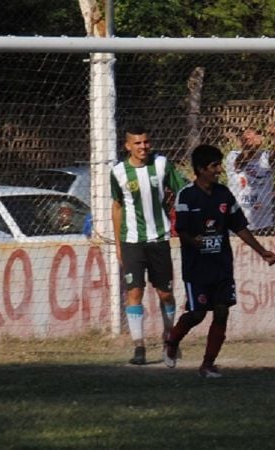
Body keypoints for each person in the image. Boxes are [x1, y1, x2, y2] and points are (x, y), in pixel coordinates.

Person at [163, 144, 275, 377]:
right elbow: (180, 229)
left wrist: (262, 251)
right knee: (197, 314)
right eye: (214, 166)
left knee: (222, 311)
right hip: (197, 269)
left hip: (222, 266)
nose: (218, 171)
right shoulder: (186, 195)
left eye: (218, 165)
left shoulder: (224, 194)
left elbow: (240, 227)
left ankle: (207, 364)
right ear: (201, 169)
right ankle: (172, 340)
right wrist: (193, 240)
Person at [111, 125, 187, 365]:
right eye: (137, 143)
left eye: (146, 142)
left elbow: (182, 190)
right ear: (127, 146)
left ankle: (169, 339)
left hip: (159, 239)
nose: (143, 147)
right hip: (132, 241)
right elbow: (117, 208)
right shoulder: (118, 172)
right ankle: (139, 347)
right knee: (134, 293)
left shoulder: (162, 164)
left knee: (165, 294)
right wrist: (118, 245)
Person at [224, 125, 275, 231]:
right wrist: (251, 147)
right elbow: (240, 163)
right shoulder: (233, 155)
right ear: (241, 140)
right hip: (238, 221)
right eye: (248, 135)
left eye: (256, 134)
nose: (254, 137)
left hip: (264, 222)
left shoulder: (265, 156)